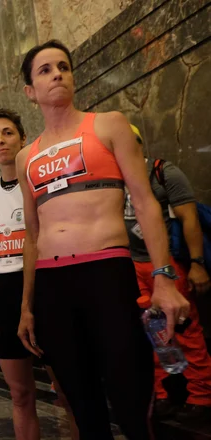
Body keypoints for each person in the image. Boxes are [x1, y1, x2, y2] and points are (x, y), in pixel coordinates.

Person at [15, 39, 190, 439]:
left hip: (105, 273)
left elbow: (145, 203)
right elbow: (32, 232)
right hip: (52, 283)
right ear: (30, 91)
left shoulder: (108, 124)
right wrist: (27, 306)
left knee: (129, 392)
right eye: (45, 70)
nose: (57, 73)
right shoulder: (27, 155)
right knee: (80, 401)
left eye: (63, 66)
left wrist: (164, 277)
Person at [0, 109, 78, 440]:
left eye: (7, 133)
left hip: (44, 284)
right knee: (20, 394)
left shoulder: (39, 179)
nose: (0, 140)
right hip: (3, 293)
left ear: (22, 138)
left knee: (68, 391)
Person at [125, 125, 211, 420]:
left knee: (186, 328)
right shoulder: (114, 180)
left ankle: (202, 395)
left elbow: (190, 219)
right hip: (134, 266)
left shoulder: (164, 172)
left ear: (139, 143)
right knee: (153, 331)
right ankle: (164, 393)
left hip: (168, 264)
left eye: (129, 142)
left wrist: (197, 263)